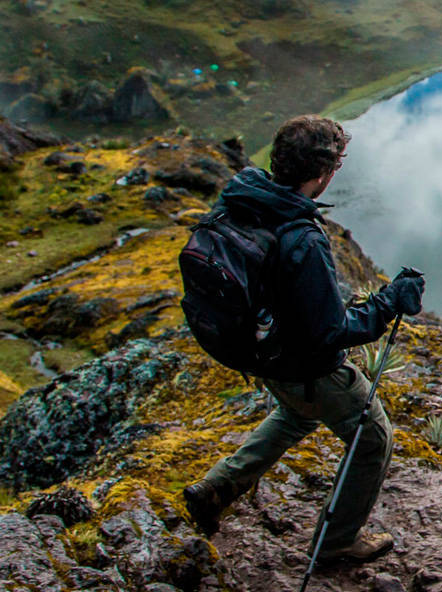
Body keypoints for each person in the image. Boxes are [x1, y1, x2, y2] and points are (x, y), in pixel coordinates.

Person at [182, 115, 425, 564]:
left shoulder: (245, 201)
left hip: (262, 355)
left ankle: (216, 488)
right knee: (372, 439)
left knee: (296, 415)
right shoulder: (302, 236)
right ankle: (336, 544)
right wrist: (390, 301)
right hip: (307, 367)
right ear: (323, 174)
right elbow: (332, 331)